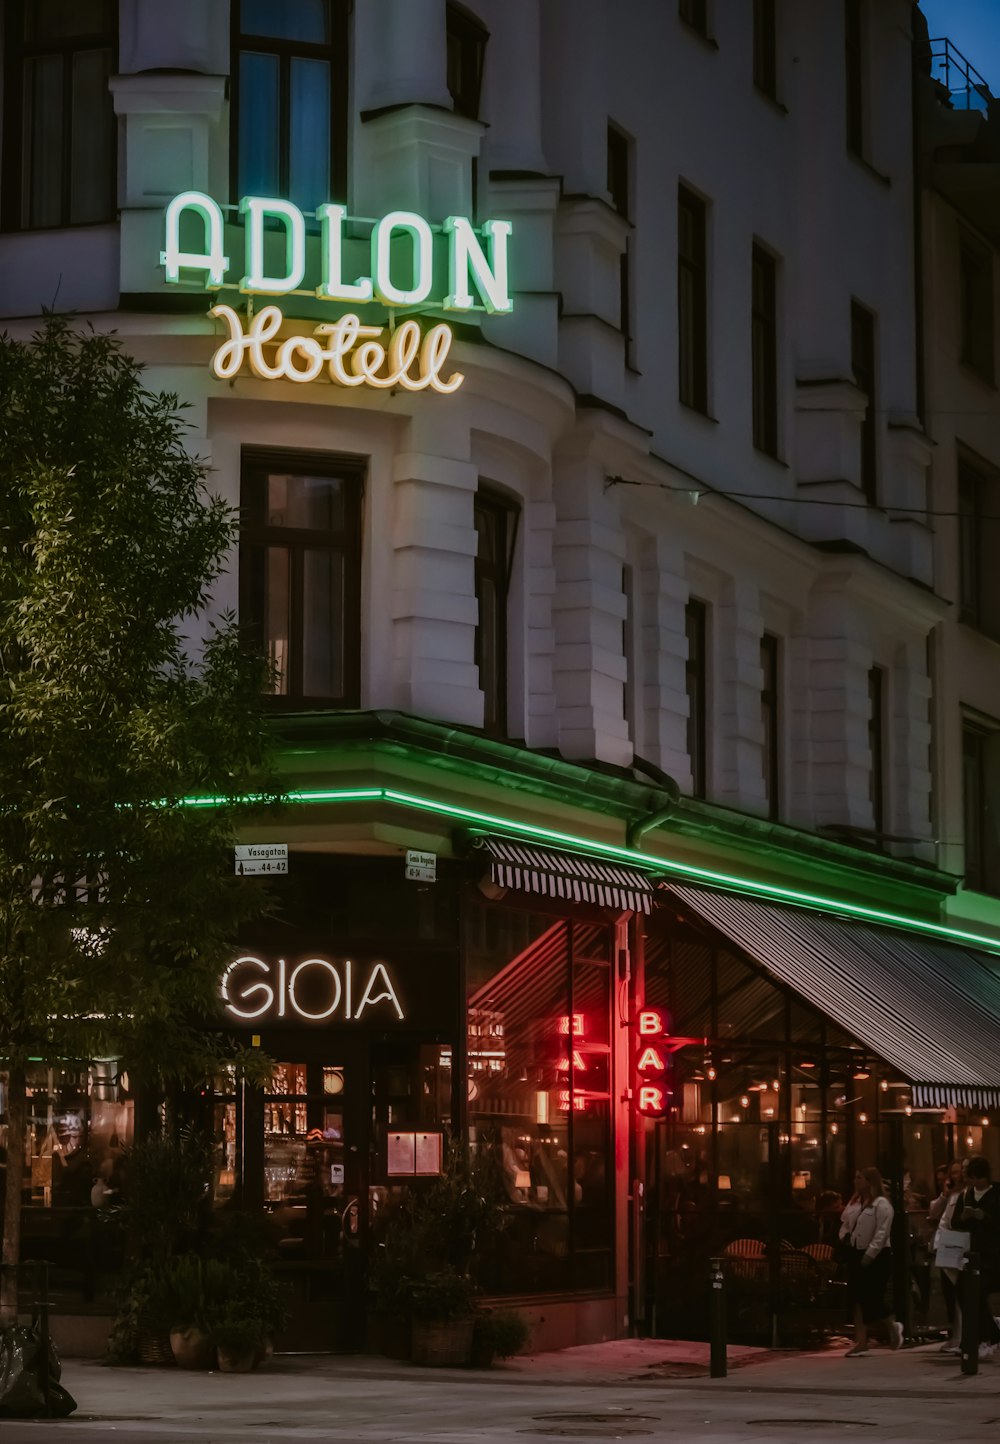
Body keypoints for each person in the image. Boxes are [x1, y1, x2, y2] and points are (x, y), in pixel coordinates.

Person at [839, 1166, 903, 1357]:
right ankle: (861, 1341)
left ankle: (892, 1325)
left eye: (860, 1178)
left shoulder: (881, 1204)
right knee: (857, 1298)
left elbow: (882, 1232)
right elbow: (846, 1223)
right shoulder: (856, 1203)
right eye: (855, 1177)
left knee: (872, 1297)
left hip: (877, 1255)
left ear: (870, 1181)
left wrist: (871, 1253)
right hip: (856, 1252)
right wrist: (845, 1238)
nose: (856, 1181)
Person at [951, 1155, 1000, 1361]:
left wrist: (984, 1217)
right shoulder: (966, 1195)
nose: (974, 1183)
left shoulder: (997, 1193)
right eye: (971, 1179)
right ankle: (988, 1335)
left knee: (978, 1289)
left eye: (978, 1179)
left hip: (993, 1256)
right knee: (963, 1290)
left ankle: (988, 1337)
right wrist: (964, 1217)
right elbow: (955, 1223)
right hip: (971, 1254)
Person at [929, 1158, 966, 1354]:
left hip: (957, 1243)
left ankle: (962, 1336)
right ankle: (955, 1334)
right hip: (944, 1243)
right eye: (952, 1172)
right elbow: (934, 1212)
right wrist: (944, 1193)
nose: (954, 1175)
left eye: (958, 1171)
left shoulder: (966, 1194)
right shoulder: (951, 1195)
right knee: (949, 1292)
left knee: (959, 1291)